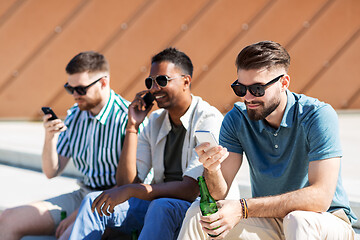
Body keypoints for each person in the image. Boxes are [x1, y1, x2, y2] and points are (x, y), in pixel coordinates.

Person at [178, 41, 357, 240]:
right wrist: (212, 170)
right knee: (199, 213)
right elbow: (218, 194)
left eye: (257, 89)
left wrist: (243, 208)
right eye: (240, 88)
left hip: (325, 221)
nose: (247, 97)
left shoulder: (317, 116)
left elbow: (320, 198)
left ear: (284, 83)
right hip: (269, 219)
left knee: (298, 220)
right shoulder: (237, 118)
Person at [68, 47, 224, 239]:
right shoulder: (155, 120)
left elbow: (190, 189)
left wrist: (133, 190)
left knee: (161, 206)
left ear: (186, 81)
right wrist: (132, 126)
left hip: (197, 211)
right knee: (94, 202)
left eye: (161, 80)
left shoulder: (208, 119)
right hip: (156, 207)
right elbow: (126, 183)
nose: (154, 88)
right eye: (150, 82)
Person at [0, 51, 136, 240]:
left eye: (80, 89)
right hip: (83, 194)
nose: (74, 95)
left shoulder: (128, 118)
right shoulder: (75, 114)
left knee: (68, 236)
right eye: (69, 88)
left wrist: (80, 213)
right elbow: (51, 171)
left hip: (117, 200)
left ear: (103, 82)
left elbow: (136, 181)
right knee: (7, 219)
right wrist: (50, 137)